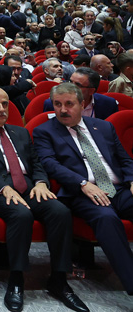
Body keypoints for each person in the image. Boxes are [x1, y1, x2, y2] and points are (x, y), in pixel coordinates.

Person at [0, 87, 85, 312]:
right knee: (21, 214)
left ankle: (59, 280)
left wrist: (41, 182)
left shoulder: (21, 132)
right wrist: (3, 188)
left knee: (60, 211)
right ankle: (16, 279)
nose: (1, 108)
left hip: (28, 188)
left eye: (5, 104)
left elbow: (36, 163)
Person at [33, 82, 133, 298]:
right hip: (82, 193)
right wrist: (82, 183)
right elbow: (50, 164)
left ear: (82, 104)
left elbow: (125, 159)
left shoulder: (103, 127)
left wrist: (132, 180)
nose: (63, 110)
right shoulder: (44, 131)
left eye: (69, 104)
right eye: (57, 104)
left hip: (119, 189)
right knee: (107, 218)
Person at [43, 67, 118, 120]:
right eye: (70, 82)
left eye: (78, 85)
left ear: (91, 91)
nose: (70, 87)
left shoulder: (108, 104)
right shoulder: (52, 104)